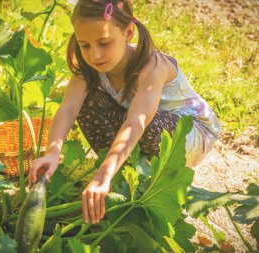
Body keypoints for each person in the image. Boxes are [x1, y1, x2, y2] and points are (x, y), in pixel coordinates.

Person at [28, 0, 221, 225]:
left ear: (128, 32)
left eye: (104, 43)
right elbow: (69, 107)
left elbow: (136, 122)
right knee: (86, 103)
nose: (94, 55)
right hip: (141, 124)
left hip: (190, 134)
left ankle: (120, 173)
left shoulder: (152, 64)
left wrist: (102, 173)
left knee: (145, 125)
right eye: (85, 45)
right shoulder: (89, 63)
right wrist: (53, 151)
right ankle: (125, 170)